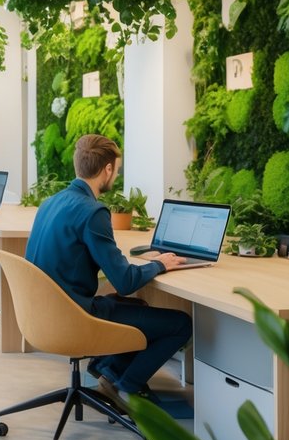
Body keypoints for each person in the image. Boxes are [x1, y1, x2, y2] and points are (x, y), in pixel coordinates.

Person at [25, 134, 192, 402]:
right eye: (117, 170)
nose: (116, 176)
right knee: (180, 324)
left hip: (41, 315)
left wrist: (143, 262)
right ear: (108, 169)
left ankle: (108, 370)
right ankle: (128, 387)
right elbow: (125, 281)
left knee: (137, 308)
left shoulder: (51, 203)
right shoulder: (93, 211)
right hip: (74, 318)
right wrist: (159, 264)